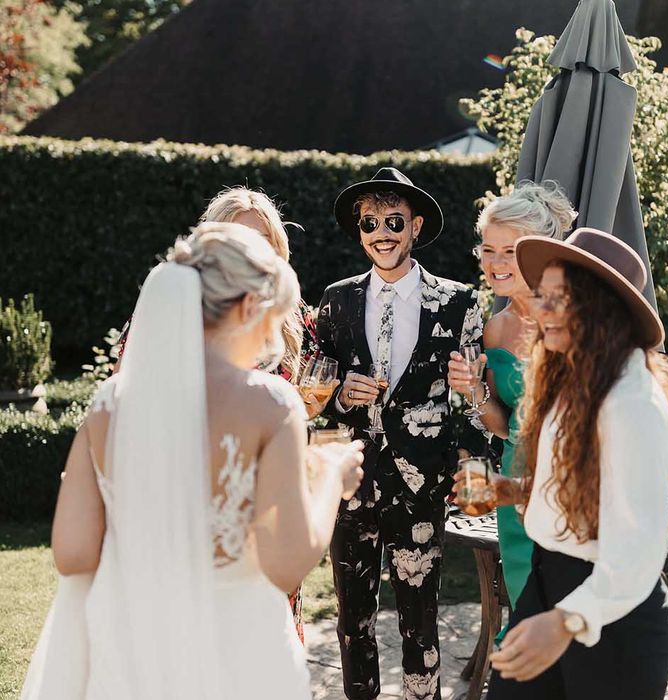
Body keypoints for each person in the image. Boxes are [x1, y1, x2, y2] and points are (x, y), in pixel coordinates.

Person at [22, 222, 364, 700]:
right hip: (237, 650)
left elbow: (73, 554)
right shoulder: (271, 404)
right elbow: (286, 565)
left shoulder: (108, 404)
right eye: (273, 322)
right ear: (248, 307)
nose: (271, 345)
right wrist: (330, 476)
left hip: (129, 650)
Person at [484, 228, 668, 699]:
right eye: (542, 296)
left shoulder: (632, 401)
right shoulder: (570, 377)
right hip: (547, 583)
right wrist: (516, 491)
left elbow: (638, 552)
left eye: (563, 299)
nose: (542, 310)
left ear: (602, 308)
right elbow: (580, 489)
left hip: (612, 622)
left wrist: (566, 621)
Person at [118, 186, 325, 640]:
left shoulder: (293, 321)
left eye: (262, 242)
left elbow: (303, 396)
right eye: (237, 238)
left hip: (270, 501)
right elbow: (131, 409)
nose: (250, 255)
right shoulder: (165, 318)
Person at [316, 167, 486, 700]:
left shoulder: (458, 303)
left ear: (414, 227)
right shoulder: (336, 301)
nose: (381, 233)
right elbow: (318, 394)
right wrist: (344, 392)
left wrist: (474, 476)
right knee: (352, 621)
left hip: (423, 486)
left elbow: (473, 405)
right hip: (352, 482)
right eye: (370, 223)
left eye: (393, 221)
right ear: (360, 230)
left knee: (420, 622)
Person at [447, 181, 577, 622]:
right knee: (526, 609)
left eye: (510, 251)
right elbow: (504, 425)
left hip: (570, 483)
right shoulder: (495, 329)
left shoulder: (573, 319)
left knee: (569, 612)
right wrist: (474, 391)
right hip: (514, 481)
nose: (496, 263)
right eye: (488, 250)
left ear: (539, 250)